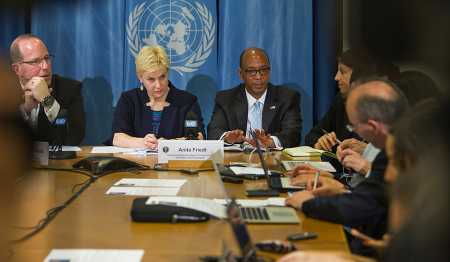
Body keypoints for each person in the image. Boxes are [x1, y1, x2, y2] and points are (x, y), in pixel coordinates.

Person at [286, 78, 408, 257]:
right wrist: (341, 189)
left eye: (354, 125)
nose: (355, 132)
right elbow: (373, 196)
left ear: (373, 126)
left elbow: (363, 206)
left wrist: (307, 203)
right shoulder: (396, 142)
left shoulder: (400, 151)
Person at [111, 45, 204, 149]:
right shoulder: (129, 100)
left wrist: (167, 144)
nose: (158, 85)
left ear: (168, 73)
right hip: (135, 163)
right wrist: (144, 143)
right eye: (151, 79)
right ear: (140, 77)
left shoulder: (187, 101)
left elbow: (198, 137)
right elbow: (118, 137)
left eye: (162, 77)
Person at [207, 47, 302, 148]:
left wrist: (270, 142)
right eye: (252, 71)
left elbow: (293, 135)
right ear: (241, 74)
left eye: (263, 70)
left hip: (271, 160)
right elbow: (213, 132)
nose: (258, 77)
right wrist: (227, 137)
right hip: (236, 160)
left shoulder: (287, 98)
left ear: (269, 71)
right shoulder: (226, 99)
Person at [10, 34, 85, 145]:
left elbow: (74, 136)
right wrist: (26, 110)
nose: (45, 66)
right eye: (35, 61)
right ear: (17, 69)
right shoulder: (5, 92)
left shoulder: (69, 89)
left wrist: (48, 101)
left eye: (46, 58)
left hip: (55, 162)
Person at [304, 48, 377, 151]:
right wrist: (320, 142)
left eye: (342, 72)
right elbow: (312, 135)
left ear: (359, 76)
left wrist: (368, 151)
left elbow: (397, 154)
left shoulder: (383, 107)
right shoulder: (340, 100)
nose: (336, 77)